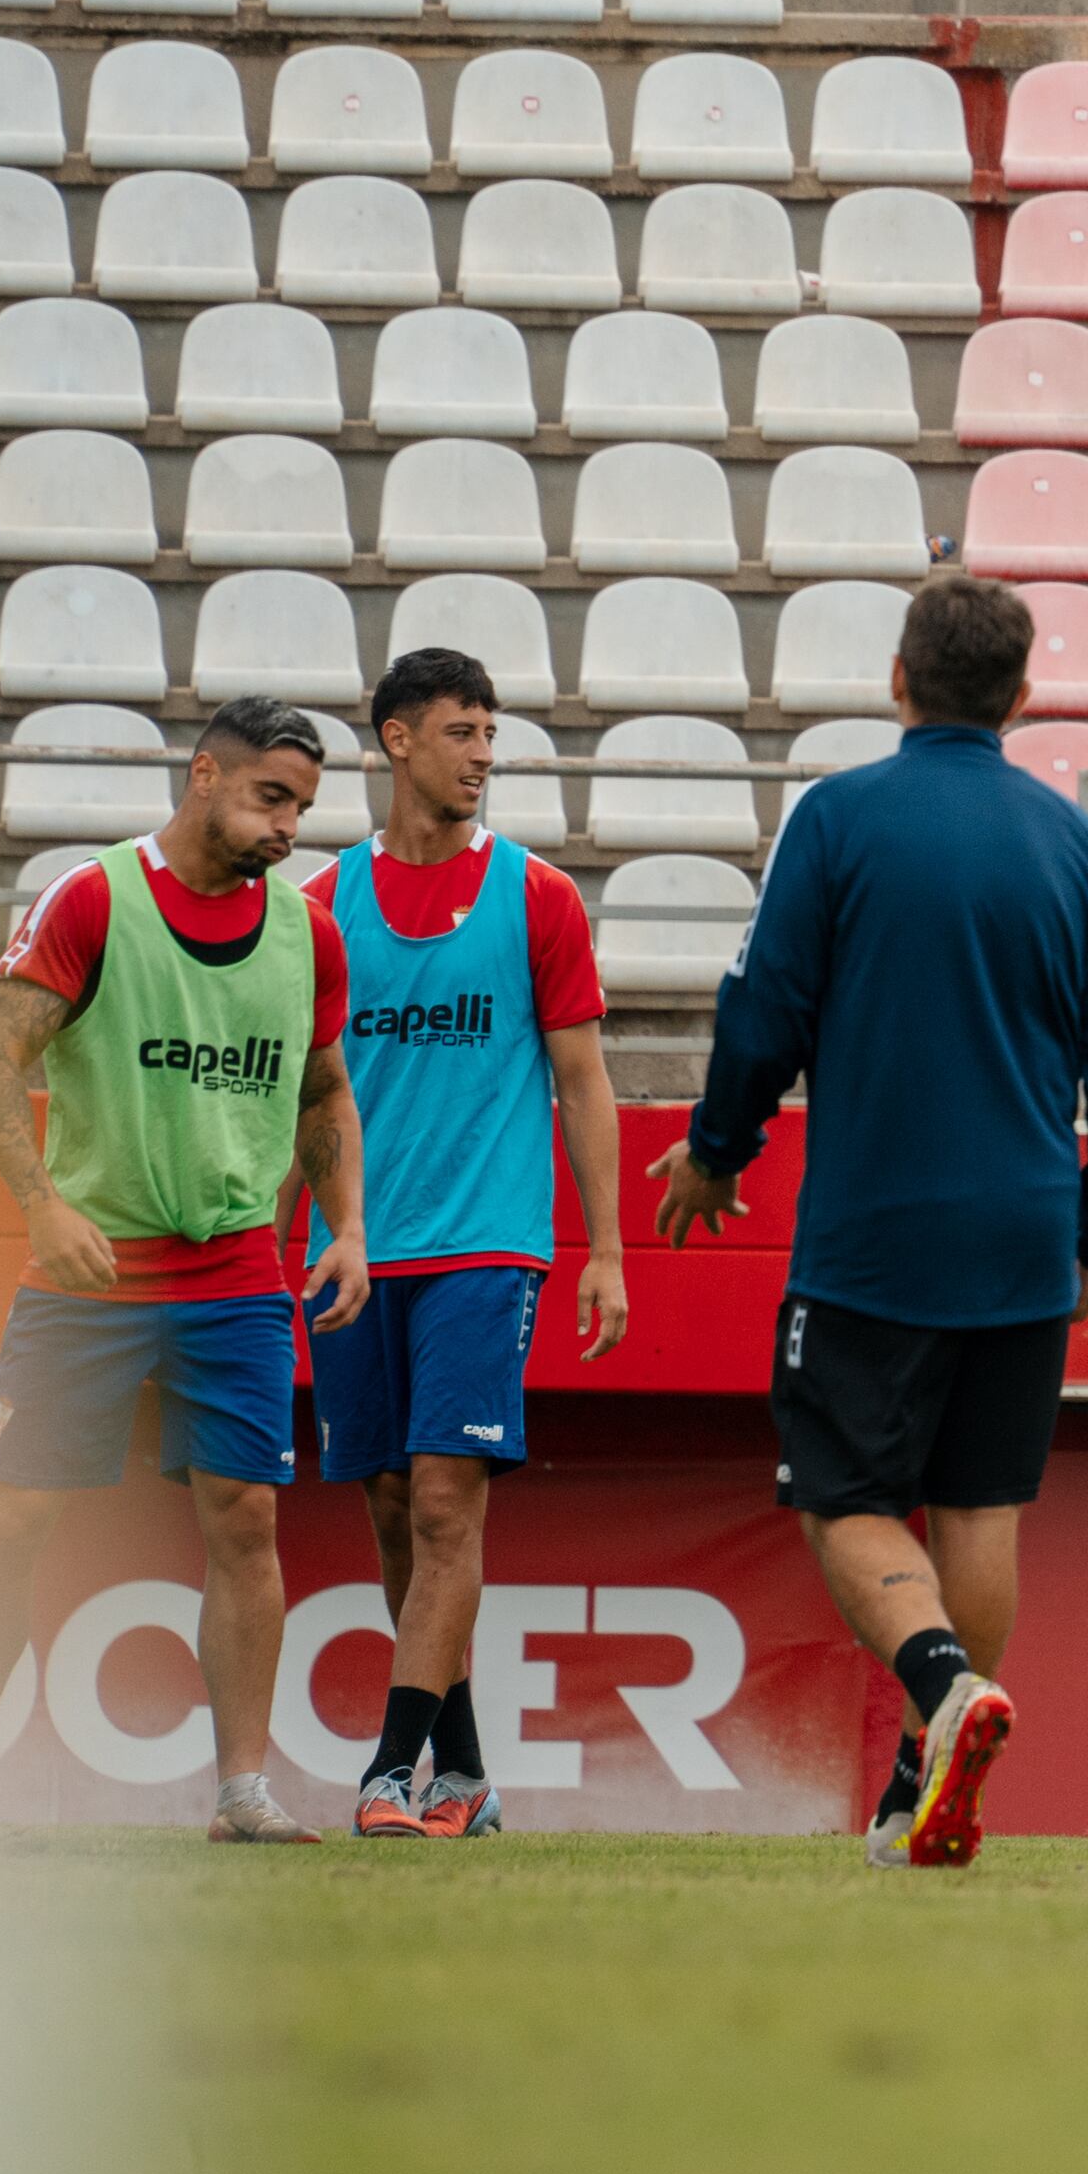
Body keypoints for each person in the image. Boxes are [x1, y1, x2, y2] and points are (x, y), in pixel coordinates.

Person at [652, 575, 1088, 1869]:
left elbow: (764, 1012)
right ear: (1023, 697)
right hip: (1024, 1236)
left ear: (897, 679)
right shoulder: (1071, 844)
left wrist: (717, 1153)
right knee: (979, 1511)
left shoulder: (840, 818)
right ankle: (915, 1784)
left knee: (846, 1498)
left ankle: (940, 1690)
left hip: (875, 1235)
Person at [0, 699, 368, 1845]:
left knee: (244, 1519)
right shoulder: (94, 896)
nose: (289, 827)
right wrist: (41, 1208)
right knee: (16, 1523)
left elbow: (323, 1094)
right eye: (270, 798)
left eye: (301, 805)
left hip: (238, 1274)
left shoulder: (310, 934)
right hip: (89, 1275)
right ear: (205, 777)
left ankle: (242, 1794)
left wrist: (345, 1227)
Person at [298, 647, 629, 1841]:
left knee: (444, 1507)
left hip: (488, 1246)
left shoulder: (538, 897)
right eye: (460, 732)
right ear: (395, 741)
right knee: (392, 1508)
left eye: (492, 734)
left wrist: (606, 1250)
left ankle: (388, 1773)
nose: (484, 754)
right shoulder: (320, 904)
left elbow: (585, 1086)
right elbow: (305, 1094)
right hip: (355, 1253)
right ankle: (467, 1771)